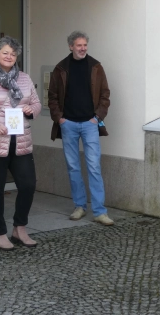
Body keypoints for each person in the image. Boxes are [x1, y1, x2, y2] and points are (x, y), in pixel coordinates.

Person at [0, 37, 41, 250]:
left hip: (20, 140)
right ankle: (0, 232)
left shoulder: (24, 78)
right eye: (5, 52)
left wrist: (32, 110)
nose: (9, 56)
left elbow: (36, 102)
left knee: (28, 184)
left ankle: (19, 227)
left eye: (13, 54)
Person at [48, 31, 113, 226]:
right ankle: (79, 206)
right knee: (73, 167)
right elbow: (52, 97)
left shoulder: (95, 67)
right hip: (68, 124)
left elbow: (105, 94)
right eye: (79, 45)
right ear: (70, 46)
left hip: (90, 124)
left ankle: (100, 211)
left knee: (94, 167)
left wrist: (97, 117)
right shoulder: (61, 68)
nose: (83, 48)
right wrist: (60, 119)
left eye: (85, 45)